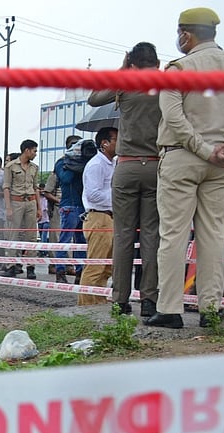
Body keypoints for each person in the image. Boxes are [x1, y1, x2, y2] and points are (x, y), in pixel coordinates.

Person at [146, 7, 224, 329]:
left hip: (183, 158)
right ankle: (211, 308)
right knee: (215, 236)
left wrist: (204, 149)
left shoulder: (179, 69)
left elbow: (173, 117)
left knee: (174, 235)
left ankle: (169, 309)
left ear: (185, 34)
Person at [89, 42, 162, 317]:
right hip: (156, 165)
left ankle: (120, 299)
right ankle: (150, 300)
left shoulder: (125, 84)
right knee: (152, 236)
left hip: (127, 166)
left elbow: (94, 98)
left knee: (123, 236)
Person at [78, 127, 118, 306]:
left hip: (109, 217)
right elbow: (93, 195)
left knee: (106, 266)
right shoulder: (96, 165)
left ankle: (99, 301)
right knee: (95, 266)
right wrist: (117, 194)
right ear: (105, 143)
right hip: (98, 217)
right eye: (116, 139)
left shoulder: (113, 163)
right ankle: (85, 305)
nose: (120, 143)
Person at [0, 140, 41, 279]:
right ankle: (11, 266)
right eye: (34, 151)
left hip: (31, 202)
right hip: (16, 202)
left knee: (31, 236)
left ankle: (31, 267)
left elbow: (36, 188)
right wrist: (8, 207)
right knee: (13, 234)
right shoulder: (10, 166)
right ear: (26, 150)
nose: (35, 154)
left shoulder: (35, 167)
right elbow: (6, 187)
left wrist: (39, 207)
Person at [51, 135, 85, 284]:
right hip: (69, 205)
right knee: (65, 240)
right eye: (73, 145)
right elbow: (65, 179)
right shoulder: (61, 162)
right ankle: (60, 270)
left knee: (81, 242)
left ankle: (80, 272)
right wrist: (74, 163)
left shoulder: (85, 161)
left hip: (82, 205)